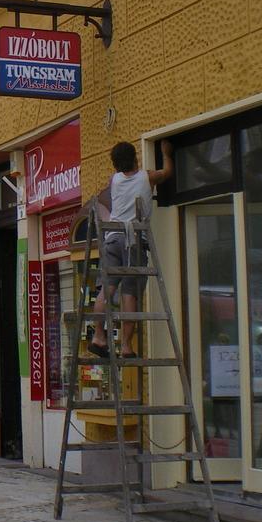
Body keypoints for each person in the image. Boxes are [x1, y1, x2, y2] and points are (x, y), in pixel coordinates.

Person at [89, 139, 174, 359]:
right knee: (130, 294)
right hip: (134, 240)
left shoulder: (115, 180)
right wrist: (166, 152)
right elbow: (167, 172)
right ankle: (126, 346)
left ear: (115, 164)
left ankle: (98, 337)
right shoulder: (147, 177)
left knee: (106, 290)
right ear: (135, 157)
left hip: (112, 238)